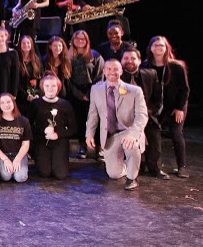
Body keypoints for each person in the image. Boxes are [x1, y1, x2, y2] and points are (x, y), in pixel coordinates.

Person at [86, 59, 148, 190]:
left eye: (115, 69)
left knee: (131, 144)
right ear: (104, 71)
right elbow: (93, 114)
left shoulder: (134, 90)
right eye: (109, 69)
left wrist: (133, 134)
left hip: (128, 130)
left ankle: (132, 177)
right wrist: (89, 134)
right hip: (111, 134)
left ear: (121, 71)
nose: (112, 72)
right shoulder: (96, 89)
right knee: (114, 174)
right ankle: (129, 165)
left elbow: (142, 115)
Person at [142, 36, 191, 179]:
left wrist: (180, 108)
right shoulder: (146, 66)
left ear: (166, 48)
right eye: (155, 45)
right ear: (150, 48)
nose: (158, 48)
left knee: (176, 133)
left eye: (162, 46)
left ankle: (182, 166)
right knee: (152, 133)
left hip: (175, 106)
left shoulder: (176, 66)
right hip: (156, 107)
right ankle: (152, 163)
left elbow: (185, 89)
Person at [121, 47, 167, 180]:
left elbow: (158, 97)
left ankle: (154, 168)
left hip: (147, 114)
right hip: (126, 118)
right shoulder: (117, 77)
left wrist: (152, 113)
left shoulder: (150, 74)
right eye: (126, 58)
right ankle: (134, 166)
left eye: (133, 58)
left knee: (154, 141)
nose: (129, 61)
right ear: (121, 60)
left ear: (140, 61)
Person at [29, 75, 76, 180]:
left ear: (58, 87)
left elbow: (73, 128)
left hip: (60, 141)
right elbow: (29, 126)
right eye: (47, 85)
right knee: (45, 172)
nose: (50, 88)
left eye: (53, 86)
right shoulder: (35, 104)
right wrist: (42, 132)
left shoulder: (65, 104)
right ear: (42, 87)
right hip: (42, 141)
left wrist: (58, 134)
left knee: (60, 174)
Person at [67, 30, 104, 159]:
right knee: (80, 121)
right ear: (73, 40)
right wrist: (79, 95)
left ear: (87, 41)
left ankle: (99, 148)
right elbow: (66, 78)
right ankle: (82, 147)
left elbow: (100, 76)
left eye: (83, 39)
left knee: (97, 121)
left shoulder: (95, 55)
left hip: (93, 92)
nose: (80, 41)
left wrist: (90, 93)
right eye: (77, 39)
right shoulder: (68, 56)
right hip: (75, 94)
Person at [0, 93, 31, 183]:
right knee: (6, 176)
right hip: (2, 155)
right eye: (2, 103)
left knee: (20, 178)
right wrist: (5, 159)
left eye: (9, 102)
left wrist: (17, 159)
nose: (6, 105)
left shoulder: (24, 121)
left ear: (13, 103)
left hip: (18, 154)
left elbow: (25, 144)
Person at [15, 35, 43, 112]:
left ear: (32, 45)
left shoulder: (37, 60)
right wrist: (26, 96)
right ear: (20, 45)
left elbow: (41, 79)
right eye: (23, 43)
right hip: (21, 98)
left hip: (36, 98)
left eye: (28, 43)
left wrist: (38, 94)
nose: (26, 45)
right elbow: (15, 81)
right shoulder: (16, 60)